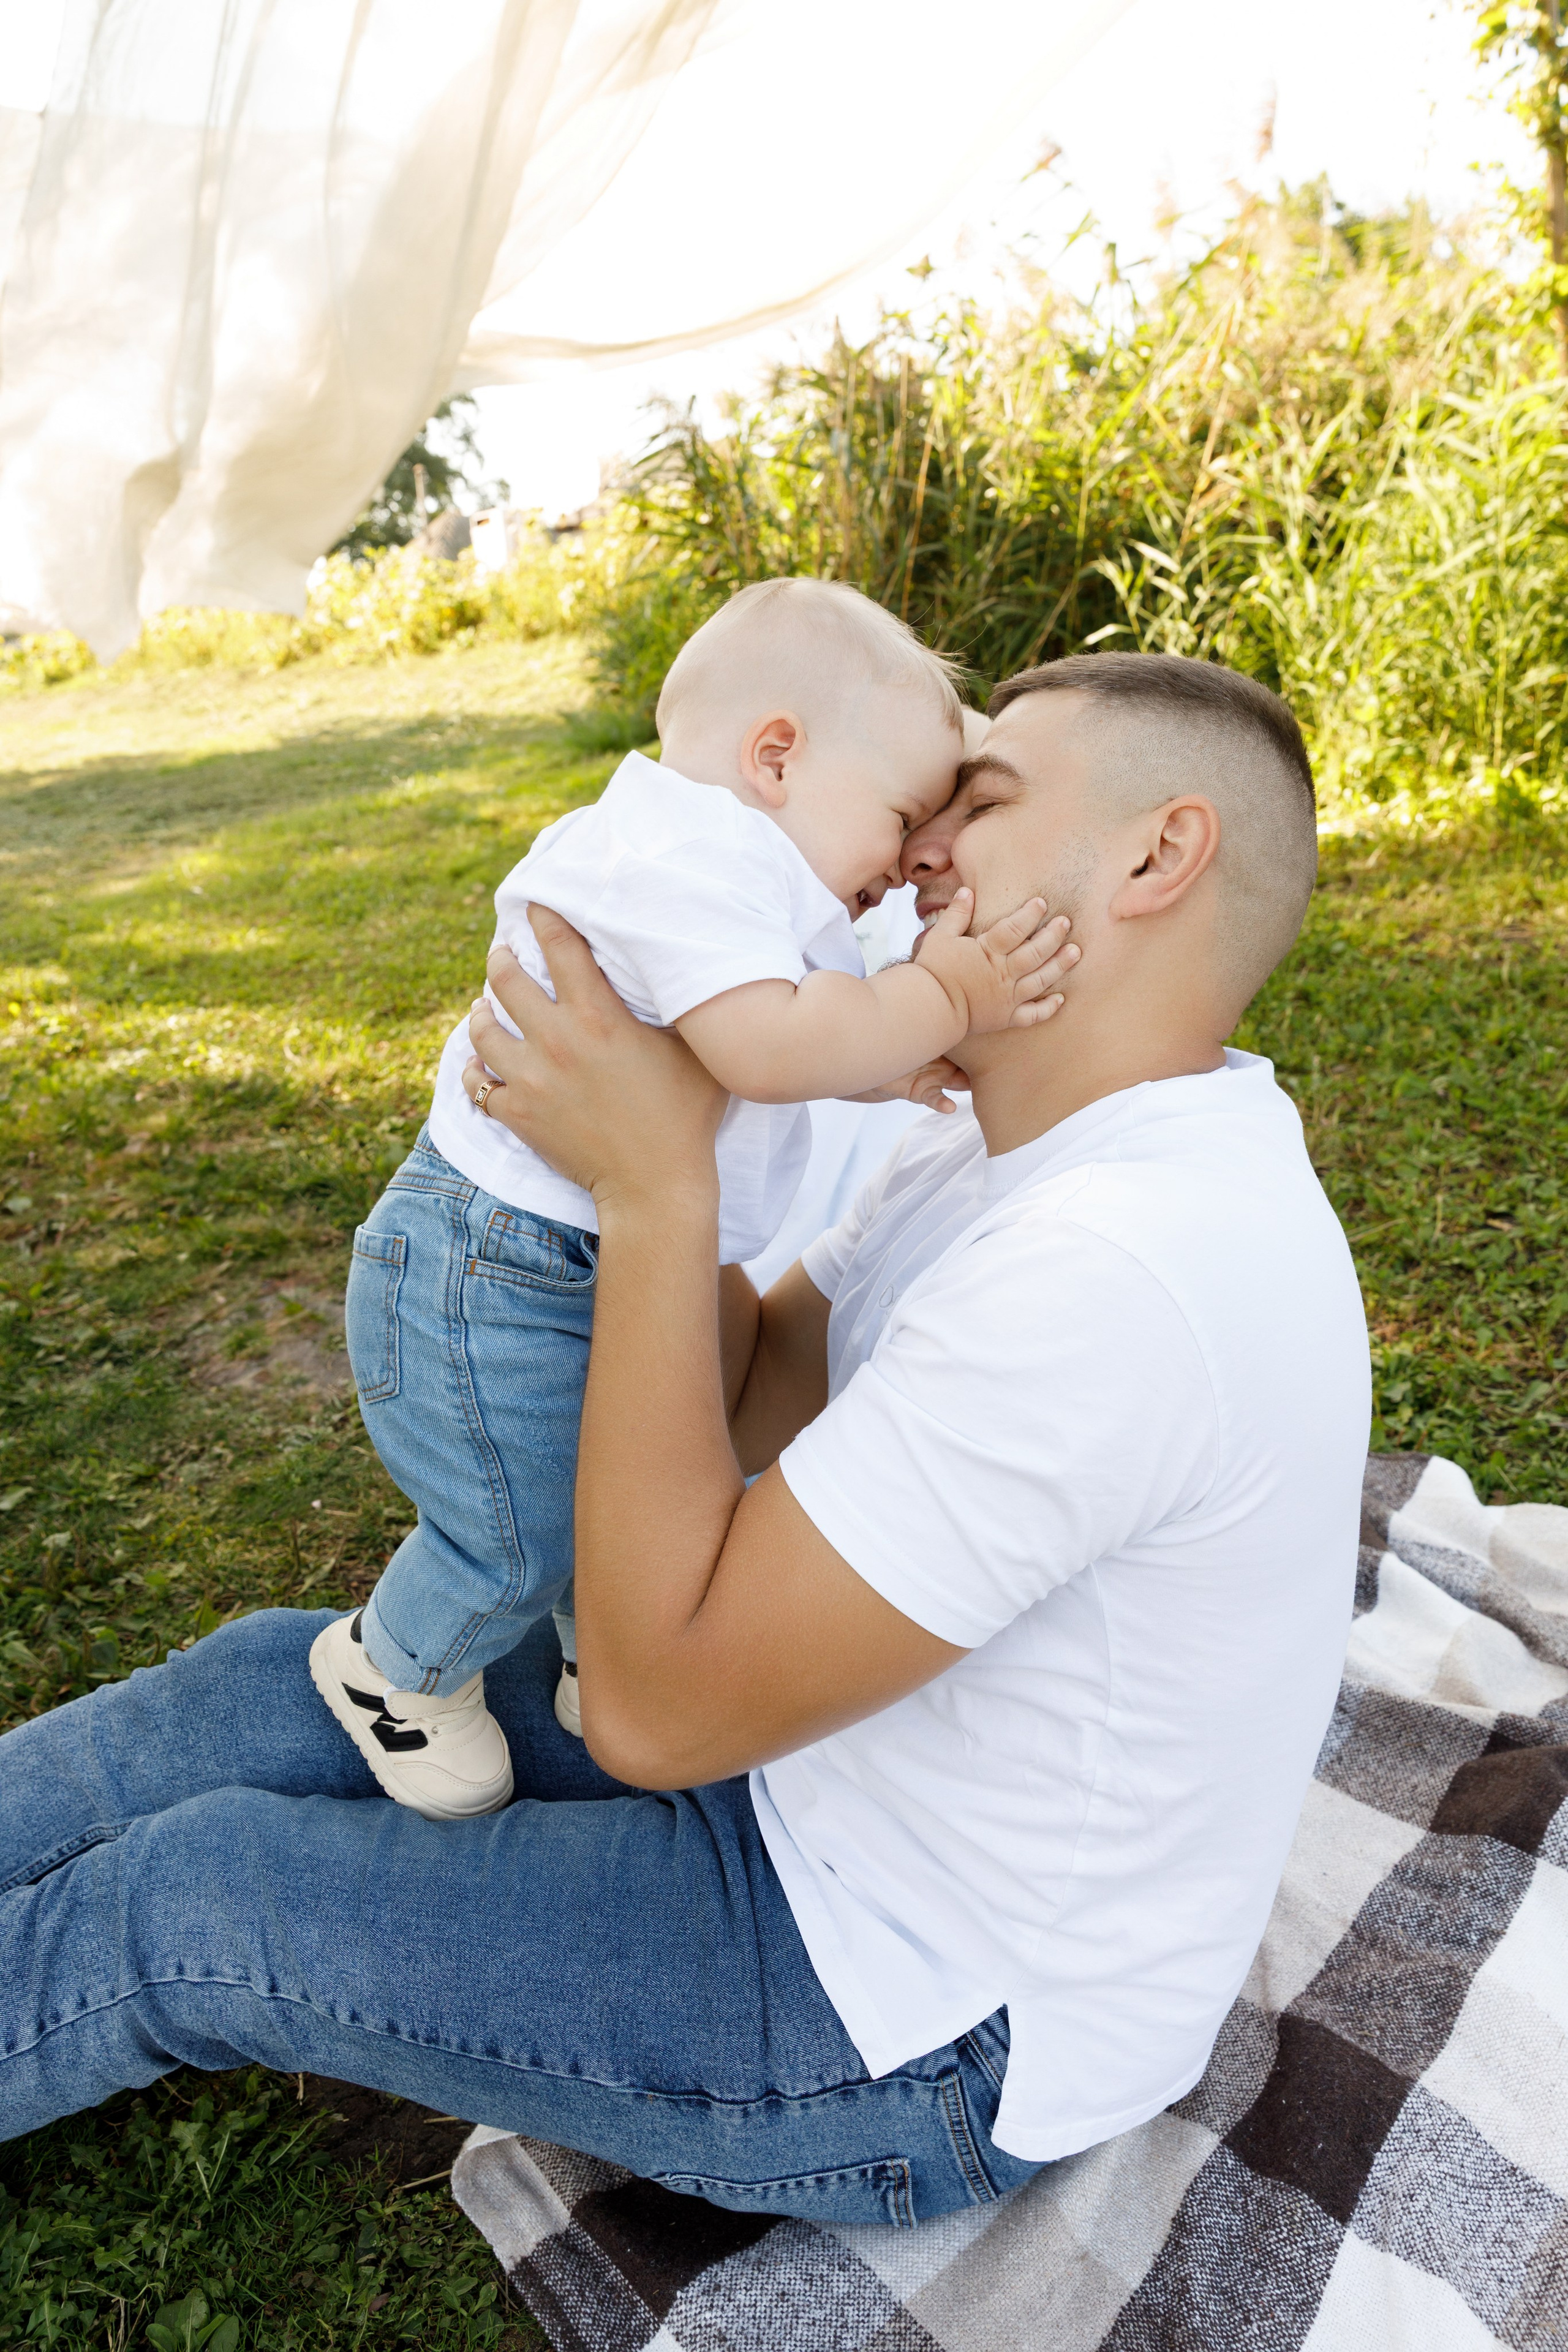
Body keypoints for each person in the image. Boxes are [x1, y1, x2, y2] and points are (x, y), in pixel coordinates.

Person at [0, 650, 1369, 2219]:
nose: (918, 847)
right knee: (269, 1684)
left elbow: (650, 1713)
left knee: (195, 1903)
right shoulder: (1004, 1148)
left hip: (912, 2023)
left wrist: (661, 1189)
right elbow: (744, 1390)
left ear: (1154, 854)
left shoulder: (1129, 1268)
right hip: (811, 1768)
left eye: (977, 806)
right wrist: (653, 1117)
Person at [318, 579, 1067, 1804]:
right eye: (898, 815)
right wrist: (951, 996)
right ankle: (389, 1668)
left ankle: (597, 1644)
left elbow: (768, 1041)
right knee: (513, 1533)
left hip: (549, 1255)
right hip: (483, 1269)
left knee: (597, 1473)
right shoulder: (685, 853)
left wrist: (883, 1062)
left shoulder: (746, 865)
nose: (901, 863)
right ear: (774, 755)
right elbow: (768, 1049)